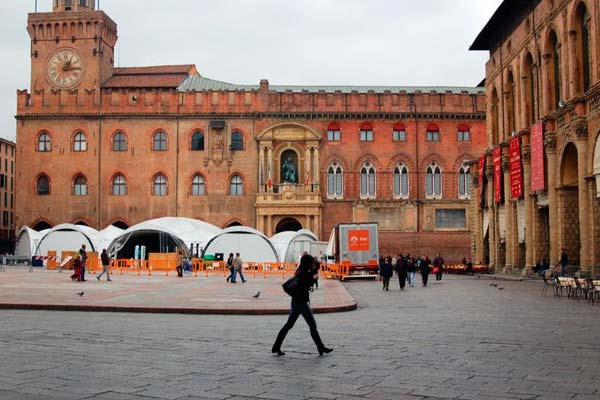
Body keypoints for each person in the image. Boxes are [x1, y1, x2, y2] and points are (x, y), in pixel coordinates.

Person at [272, 254, 333, 356]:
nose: (313, 264)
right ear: (308, 263)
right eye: (312, 262)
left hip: (295, 302)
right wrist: (314, 279)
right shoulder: (304, 273)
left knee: (289, 325)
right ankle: (320, 347)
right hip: (301, 303)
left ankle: (276, 346)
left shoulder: (301, 270)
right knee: (312, 325)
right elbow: (307, 283)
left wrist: (315, 269)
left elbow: (311, 273)